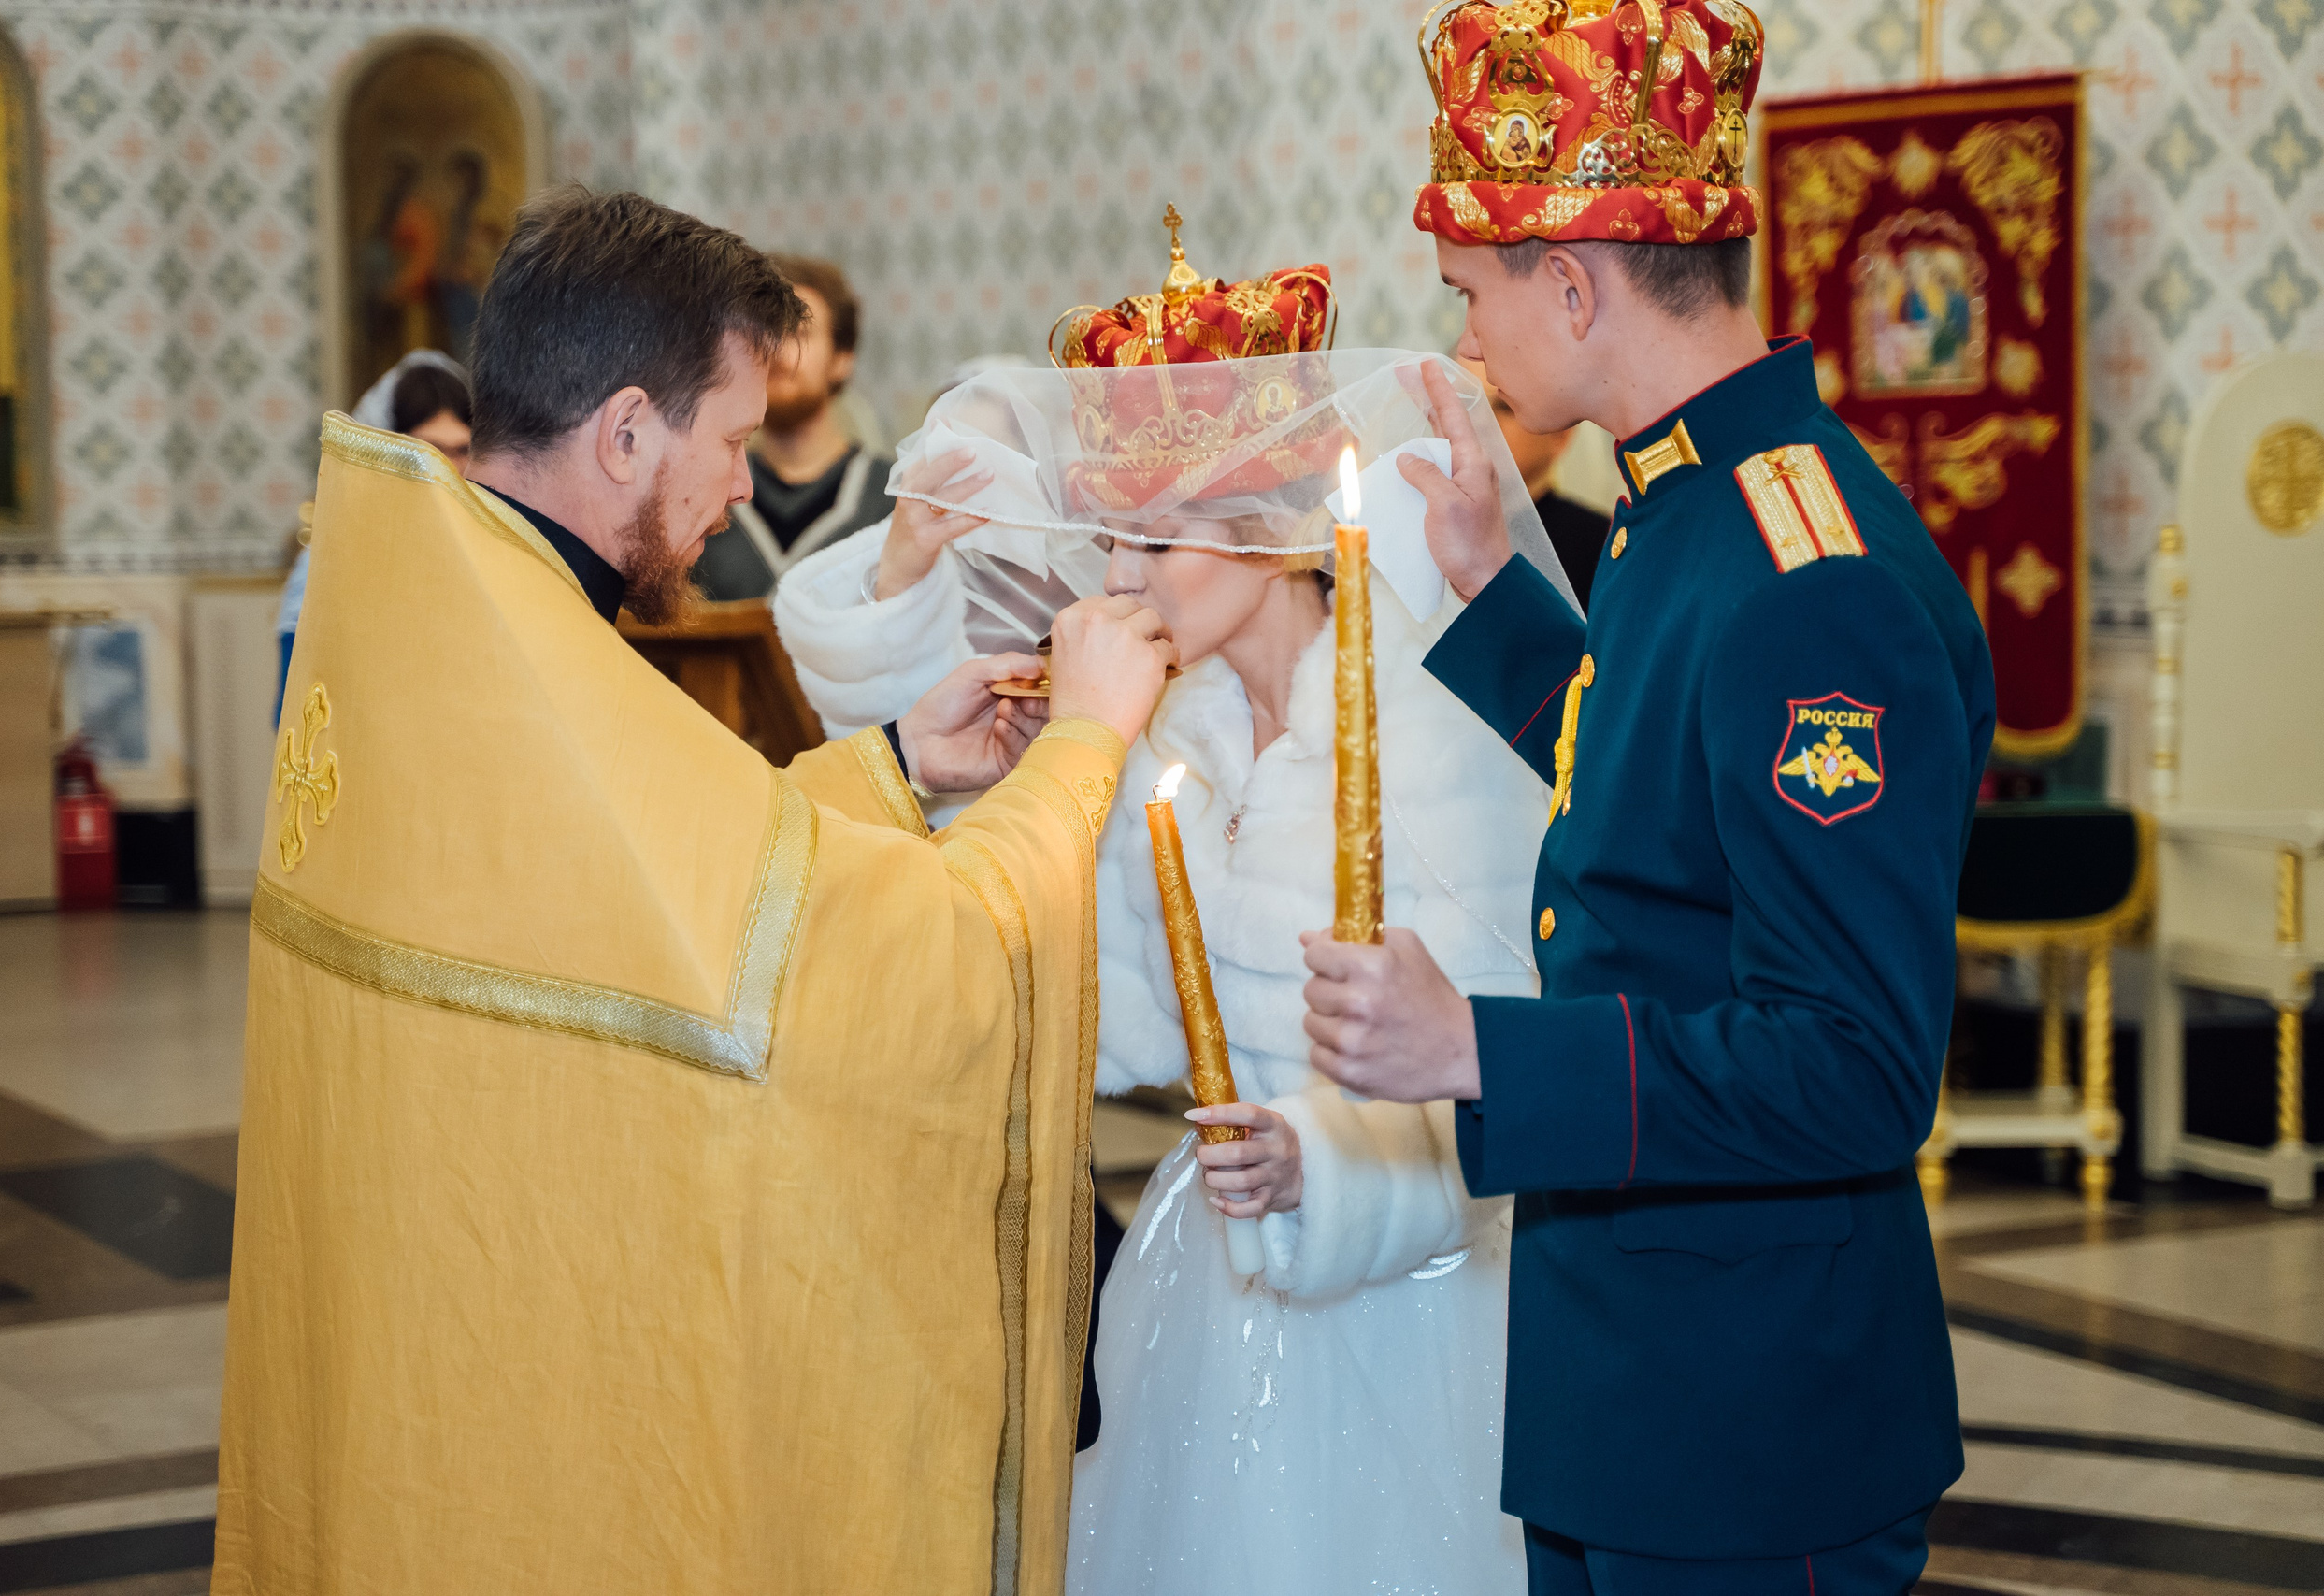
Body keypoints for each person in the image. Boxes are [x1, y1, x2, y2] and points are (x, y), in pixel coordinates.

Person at [213, 185, 1174, 1596]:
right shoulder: (532, 662)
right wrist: (1084, 740)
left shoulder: (446, 617)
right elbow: (904, 960)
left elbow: (678, 881)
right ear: (622, 431)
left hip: (428, 1373)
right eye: (728, 439)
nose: (739, 489)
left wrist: (900, 761)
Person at [772, 218, 1582, 1592]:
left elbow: (1520, 1055)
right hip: (1208, 1289)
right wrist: (906, 588)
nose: (1118, 582)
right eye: (1108, 541)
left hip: (1403, 1314)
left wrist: (1328, 1165)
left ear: (1272, 538)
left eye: (1153, 540)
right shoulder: (1173, 745)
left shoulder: (1434, 740)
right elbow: (1055, 972)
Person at [1299, 7, 1993, 1592]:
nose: (1466, 338)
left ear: (1572, 281)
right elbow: (1669, 816)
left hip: (1756, 1425)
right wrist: (1493, 587)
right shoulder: (1689, 510)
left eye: (1472, 293)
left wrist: (1476, 1046)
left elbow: (1856, 1066)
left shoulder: (1816, 583)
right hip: (1636, 1380)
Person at [689, 252, 897, 600]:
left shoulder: (893, 498)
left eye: (800, 333)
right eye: (766, 334)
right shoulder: (703, 494)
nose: (781, 353)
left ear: (842, 360)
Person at [274, 350, 473, 712]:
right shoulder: (330, 560)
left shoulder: (489, 550)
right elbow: (294, 709)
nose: (447, 468)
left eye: (462, 450)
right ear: (393, 451)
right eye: (430, 449)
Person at [1456, 352, 1609, 609]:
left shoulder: (1601, 548)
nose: (1481, 422)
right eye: (1465, 404)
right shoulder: (1413, 530)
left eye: (1504, 407)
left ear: (1562, 434)